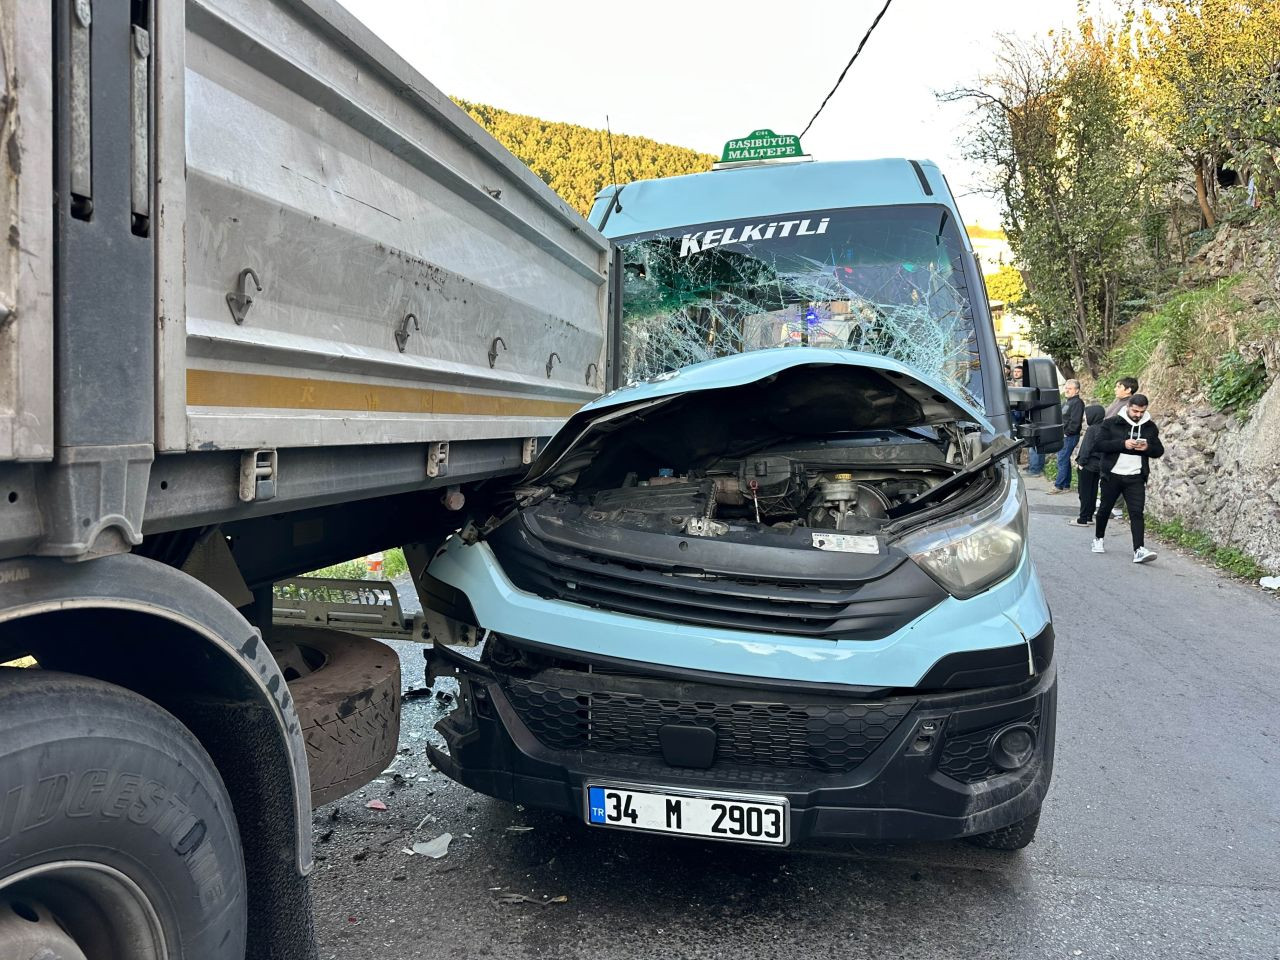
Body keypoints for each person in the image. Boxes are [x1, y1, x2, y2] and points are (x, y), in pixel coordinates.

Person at [1091, 394, 1165, 563]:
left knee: (1137, 513)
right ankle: (1098, 538)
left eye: (1142, 411)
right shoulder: (1111, 423)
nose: (1138, 414)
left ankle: (1138, 549)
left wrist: (1147, 447)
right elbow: (1099, 445)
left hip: (1136, 477)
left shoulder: (1150, 427)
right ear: (1128, 407)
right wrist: (1123, 444)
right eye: (1135, 410)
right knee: (1104, 509)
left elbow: (1159, 451)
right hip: (1112, 474)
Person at [1068, 404, 1105, 526]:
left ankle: (1082, 518)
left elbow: (1086, 448)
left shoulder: (1092, 429)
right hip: (1099, 465)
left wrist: (1081, 463)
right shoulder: (1105, 428)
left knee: (1084, 492)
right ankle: (1089, 516)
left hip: (1088, 464)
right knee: (1093, 491)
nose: (1085, 418)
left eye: (1087, 415)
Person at [1049, 380, 1084, 494]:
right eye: (1066, 387)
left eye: (1070, 388)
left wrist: (1067, 433)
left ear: (1077, 390)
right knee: (1064, 459)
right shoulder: (1067, 402)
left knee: (1062, 460)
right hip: (1063, 435)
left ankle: (1058, 486)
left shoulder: (1077, 403)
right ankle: (1066, 484)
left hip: (1069, 436)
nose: (1067, 390)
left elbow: (1075, 421)